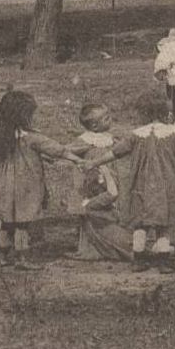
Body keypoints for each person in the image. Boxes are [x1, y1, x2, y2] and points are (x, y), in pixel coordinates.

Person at [81, 90, 175, 273]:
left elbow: (115, 152)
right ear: (166, 112)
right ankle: (163, 261)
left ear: (142, 113)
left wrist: (94, 162)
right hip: (164, 188)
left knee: (140, 223)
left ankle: (139, 259)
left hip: (141, 187)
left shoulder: (136, 134)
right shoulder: (173, 133)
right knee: (163, 225)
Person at [0, 90, 81, 270]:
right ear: (23, 116)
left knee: (6, 222)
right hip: (25, 187)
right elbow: (56, 149)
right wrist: (79, 159)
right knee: (22, 224)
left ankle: (3, 253)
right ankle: (22, 257)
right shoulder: (31, 137)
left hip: (2, 187)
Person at [66, 103, 133, 262]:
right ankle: (88, 247)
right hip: (93, 181)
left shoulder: (109, 138)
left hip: (109, 177)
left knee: (107, 207)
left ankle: (104, 239)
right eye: (106, 118)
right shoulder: (85, 140)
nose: (111, 119)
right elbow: (68, 150)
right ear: (95, 125)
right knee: (92, 211)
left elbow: (120, 149)